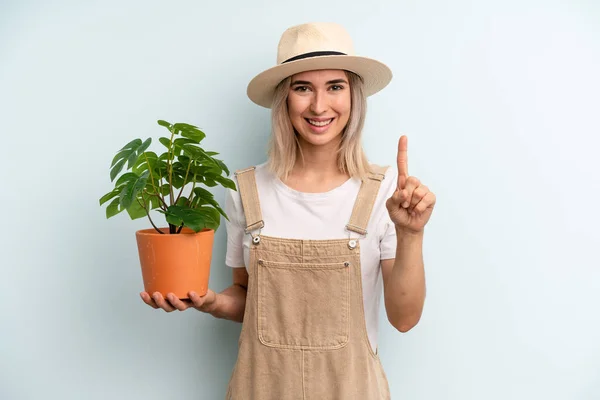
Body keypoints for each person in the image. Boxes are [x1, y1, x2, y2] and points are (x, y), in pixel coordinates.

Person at [141, 22, 436, 399]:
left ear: (354, 96)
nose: (318, 105)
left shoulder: (384, 194)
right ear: (284, 99)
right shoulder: (246, 191)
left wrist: (411, 233)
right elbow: (249, 297)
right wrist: (213, 303)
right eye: (302, 88)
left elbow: (405, 318)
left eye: (335, 86)